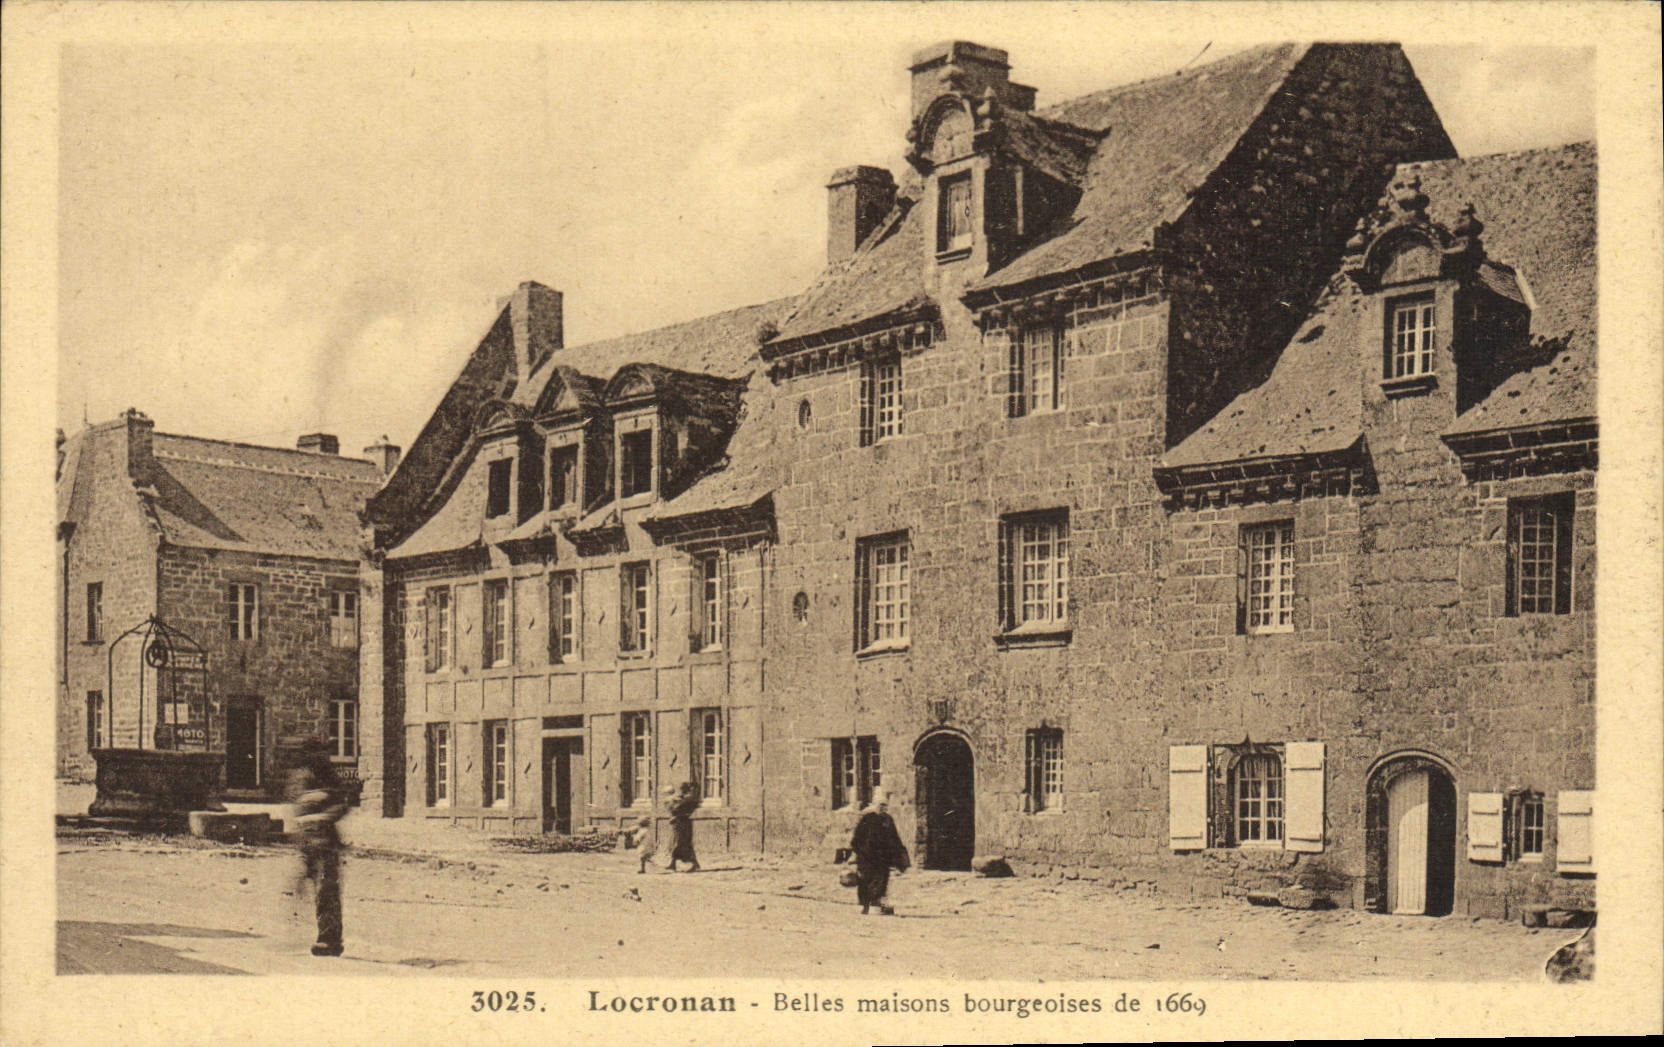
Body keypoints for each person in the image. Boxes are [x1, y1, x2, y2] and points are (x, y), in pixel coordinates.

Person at [286, 737, 348, 956]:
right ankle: (326, 936)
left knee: (326, 891)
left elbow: (341, 804)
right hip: (307, 841)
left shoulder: (327, 775)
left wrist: (322, 817)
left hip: (324, 841)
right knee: (316, 890)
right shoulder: (300, 777)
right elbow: (296, 808)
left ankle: (329, 940)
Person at [850, 787, 908, 915]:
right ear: (875, 804)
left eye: (885, 806)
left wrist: (899, 855)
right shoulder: (867, 818)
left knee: (881, 880)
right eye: (881, 805)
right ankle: (864, 905)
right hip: (866, 857)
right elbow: (857, 837)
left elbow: (894, 838)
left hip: (882, 858)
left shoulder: (888, 820)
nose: (883, 808)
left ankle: (876, 904)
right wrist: (857, 851)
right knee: (865, 880)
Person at [666, 780, 701, 873]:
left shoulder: (689, 798)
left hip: (684, 823)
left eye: (682, 789)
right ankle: (672, 863)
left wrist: (675, 807)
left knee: (683, 844)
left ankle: (694, 864)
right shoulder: (683, 797)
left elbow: (678, 807)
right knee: (676, 843)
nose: (681, 791)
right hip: (679, 822)